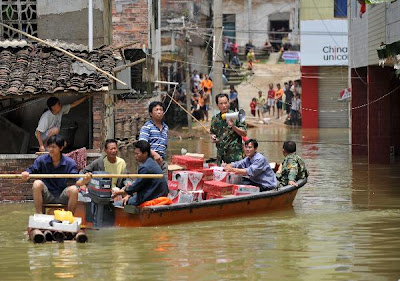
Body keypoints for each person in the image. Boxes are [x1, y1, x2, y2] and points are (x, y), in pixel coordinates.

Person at [21, 135, 90, 214]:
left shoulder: (70, 163)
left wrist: (85, 180)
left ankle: (69, 217)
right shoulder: (41, 160)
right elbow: (31, 171)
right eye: (49, 147)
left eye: (53, 147)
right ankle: (39, 216)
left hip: (61, 195)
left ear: (61, 148)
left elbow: (77, 181)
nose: (50, 149)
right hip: (47, 195)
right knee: (37, 183)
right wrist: (26, 174)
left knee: (74, 189)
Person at [113, 140, 168, 206]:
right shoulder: (151, 162)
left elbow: (137, 186)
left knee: (116, 205)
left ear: (145, 153)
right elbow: (139, 184)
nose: (135, 156)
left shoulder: (145, 167)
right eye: (135, 153)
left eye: (137, 154)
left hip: (152, 196)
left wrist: (119, 192)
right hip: (157, 193)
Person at [210, 93, 247, 165]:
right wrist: (213, 137)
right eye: (221, 103)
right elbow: (212, 132)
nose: (224, 106)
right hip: (221, 157)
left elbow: (244, 133)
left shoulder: (236, 116)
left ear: (228, 103)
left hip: (235, 156)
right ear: (217, 105)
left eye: (225, 103)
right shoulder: (215, 119)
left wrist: (233, 127)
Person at [139, 101, 169, 178]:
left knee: (163, 184)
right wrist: (154, 154)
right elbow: (142, 144)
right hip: (150, 159)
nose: (159, 112)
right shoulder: (147, 127)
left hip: (162, 160)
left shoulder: (165, 128)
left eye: (161, 110)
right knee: (150, 185)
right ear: (151, 114)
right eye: (156, 110)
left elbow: (165, 146)